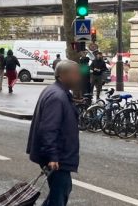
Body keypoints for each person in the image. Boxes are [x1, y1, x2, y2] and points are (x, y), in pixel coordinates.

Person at [26, 60, 81, 206]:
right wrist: (52, 156)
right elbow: (49, 128)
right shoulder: (57, 96)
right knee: (59, 196)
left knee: (60, 193)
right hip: (57, 157)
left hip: (58, 155)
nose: (78, 77)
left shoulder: (56, 92)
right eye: (75, 74)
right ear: (62, 75)